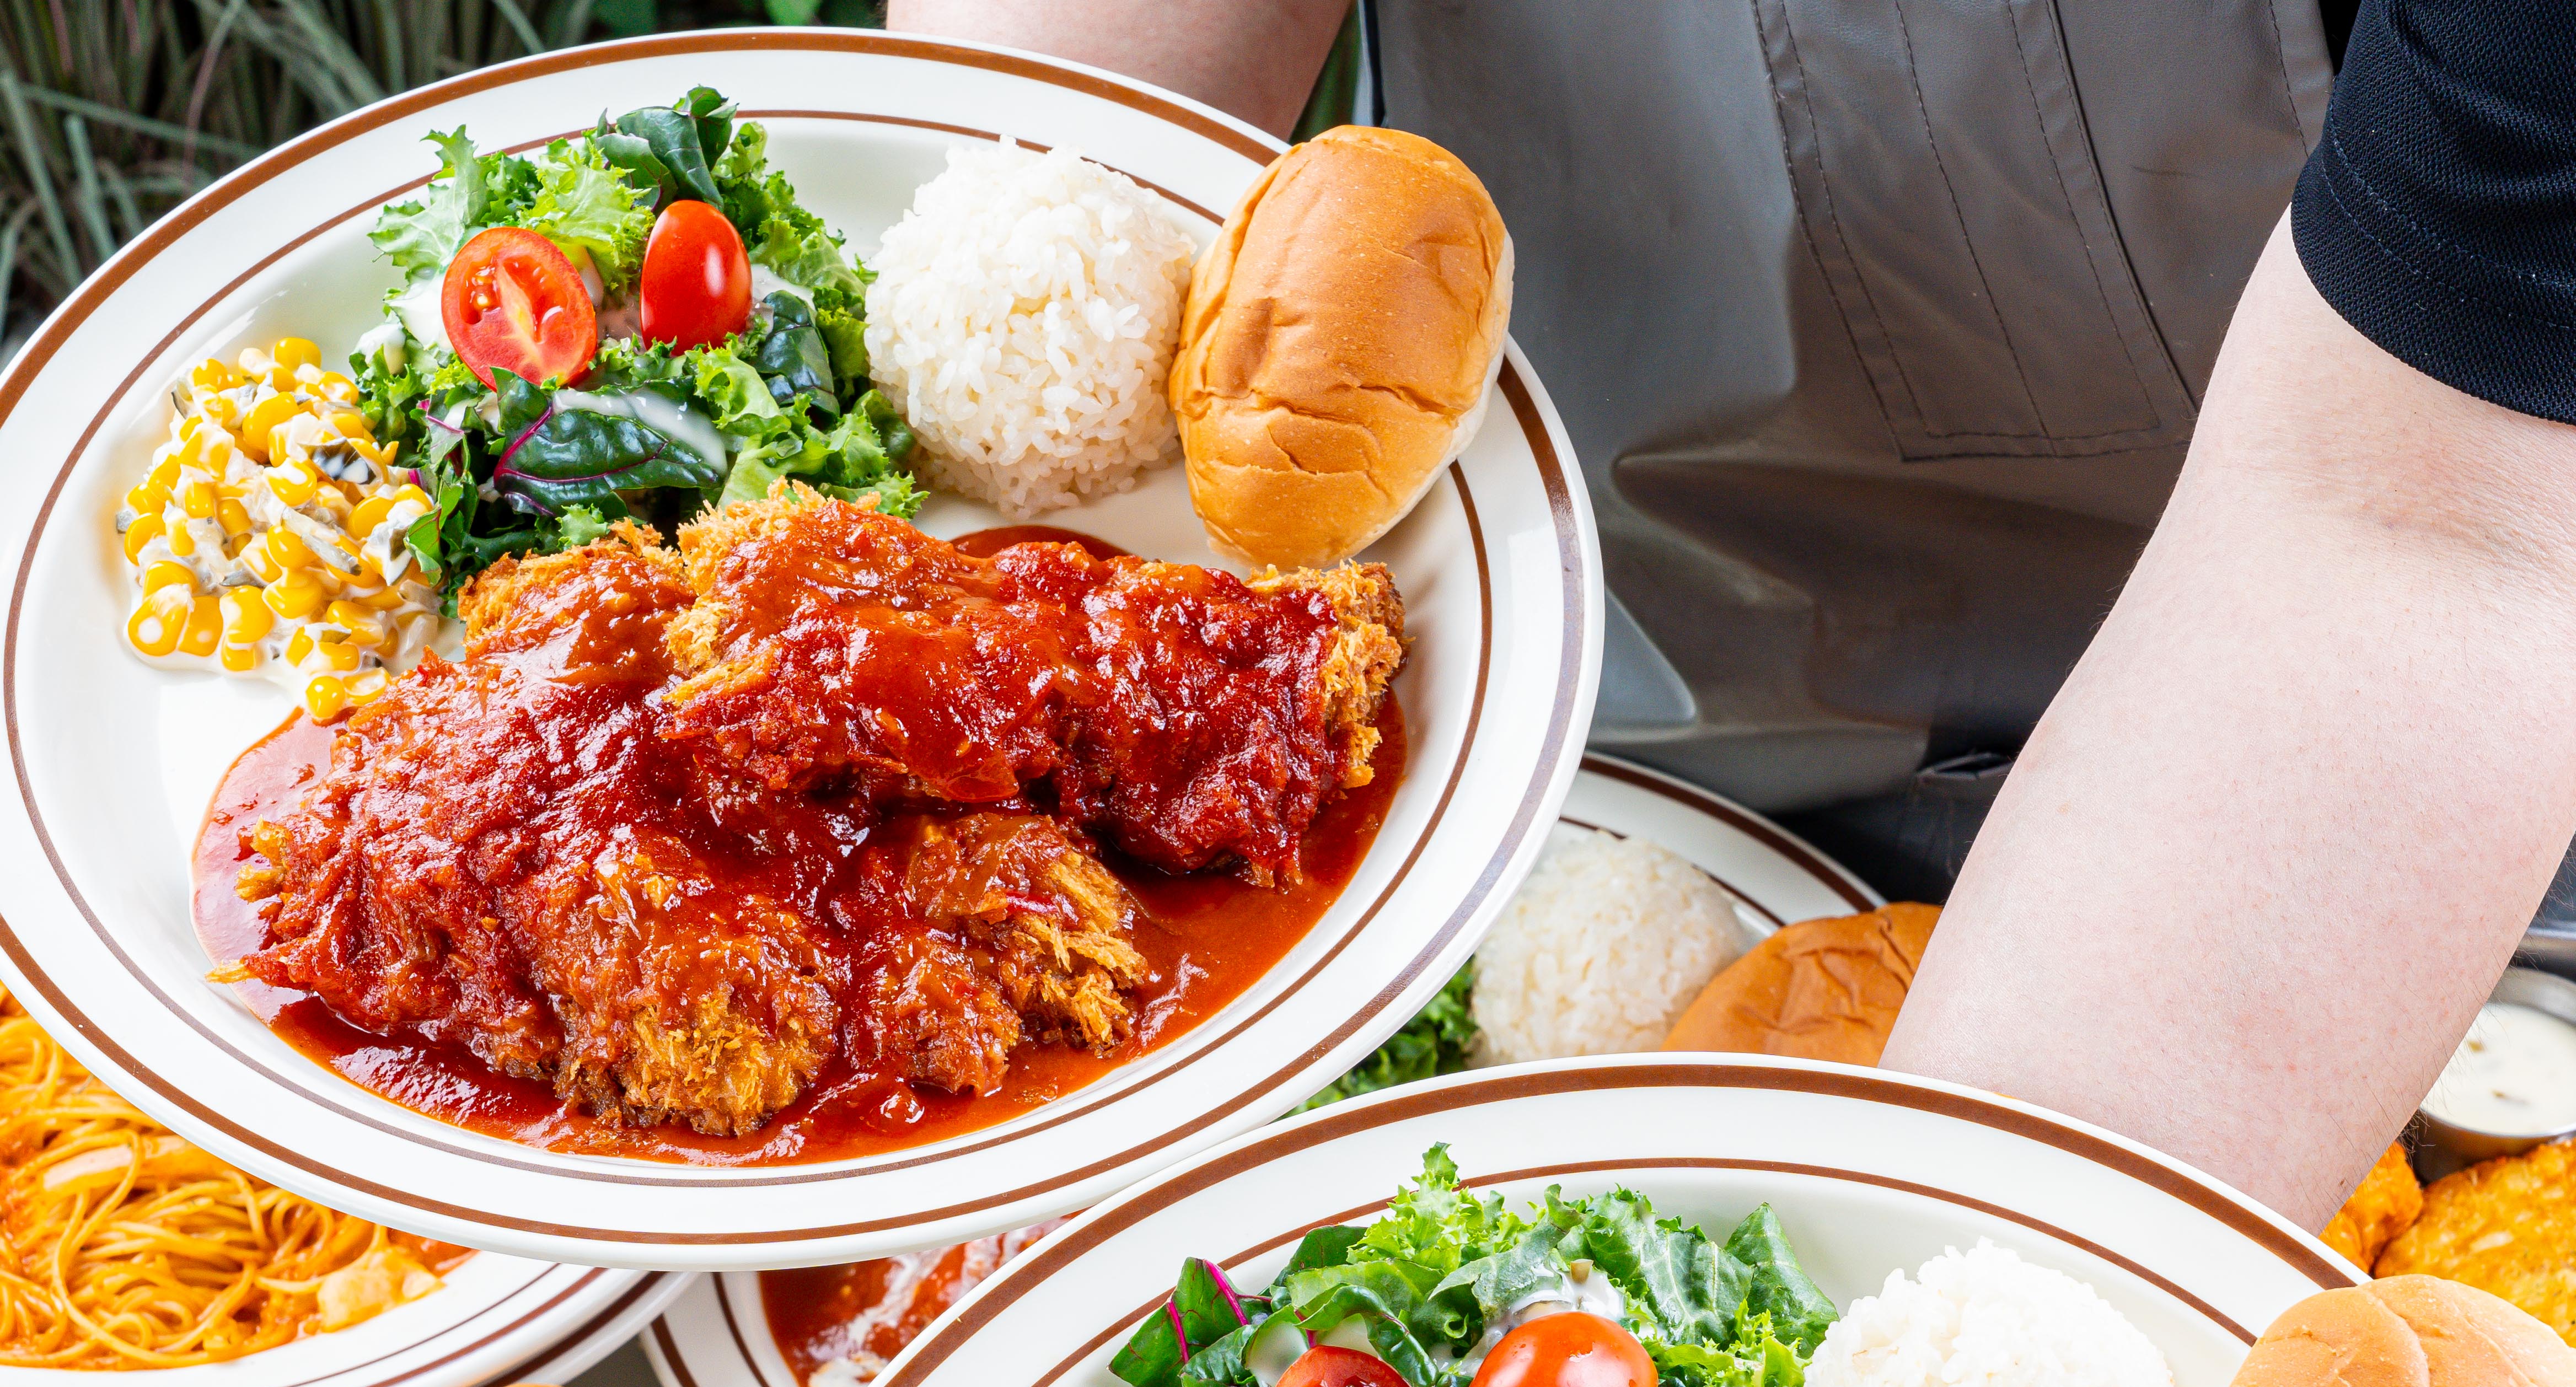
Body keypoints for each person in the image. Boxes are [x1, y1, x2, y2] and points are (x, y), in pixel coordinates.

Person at [889, 1, 2576, 1228]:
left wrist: (1929, 1330)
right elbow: (1095, 105)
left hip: (2325, 872)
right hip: (1529, 679)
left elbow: (2419, 529)